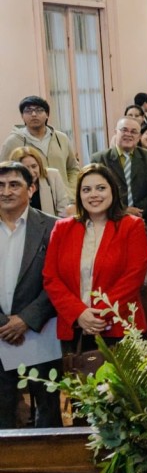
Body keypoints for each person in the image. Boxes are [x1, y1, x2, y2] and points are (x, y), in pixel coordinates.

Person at [43, 164, 147, 348]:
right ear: (79, 195)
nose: (93, 194)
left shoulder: (132, 226)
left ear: (113, 191)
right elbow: (51, 278)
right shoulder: (62, 228)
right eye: (86, 189)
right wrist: (79, 313)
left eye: (101, 188)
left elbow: (134, 277)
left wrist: (97, 315)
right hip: (75, 327)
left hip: (119, 326)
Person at [0, 162, 61, 428]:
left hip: (41, 332)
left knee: (47, 415)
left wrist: (26, 319)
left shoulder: (53, 227)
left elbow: (60, 281)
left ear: (32, 188)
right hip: (0, 334)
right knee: (3, 415)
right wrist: (4, 323)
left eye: (14, 185)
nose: (6, 191)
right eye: (0, 186)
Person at [90, 117, 147, 220]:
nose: (128, 134)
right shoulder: (99, 159)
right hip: (111, 217)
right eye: (124, 130)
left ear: (139, 136)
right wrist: (122, 209)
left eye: (133, 132)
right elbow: (96, 191)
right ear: (115, 132)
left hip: (143, 217)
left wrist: (137, 210)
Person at [1, 96, 81, 189]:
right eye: (28, 111)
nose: (34, 114)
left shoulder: (61, 138)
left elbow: (73, 168)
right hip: (30, 199)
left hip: (63, 199)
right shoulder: (13, 142)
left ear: (47, 114)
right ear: (22, 116)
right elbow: (3, 173)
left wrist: (70, 191)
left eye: (39, 110)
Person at [8, 146, 71, 217]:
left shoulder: (53, 176)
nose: (31, 172)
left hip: (52, 226)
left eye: (34, 166)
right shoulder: (7, 185)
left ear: (40, 165)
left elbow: (63, 210)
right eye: (25, 168)